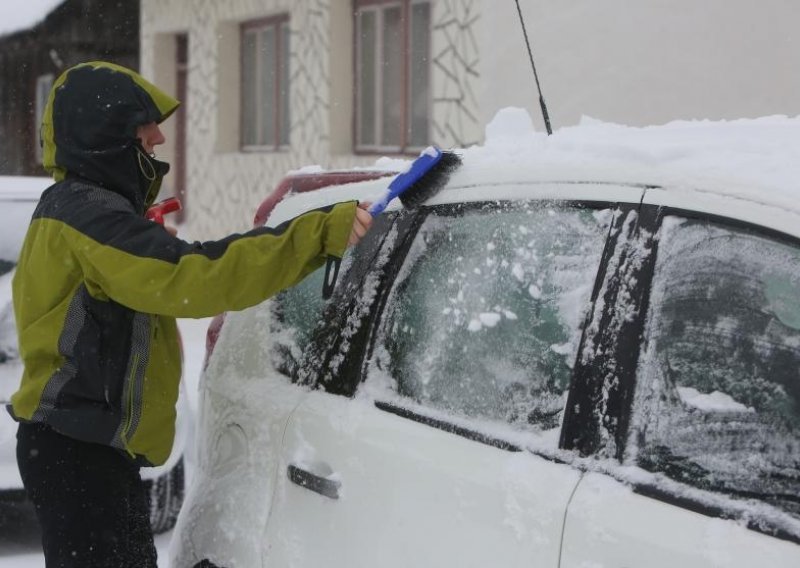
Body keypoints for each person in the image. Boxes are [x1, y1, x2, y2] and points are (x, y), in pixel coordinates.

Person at [8, 61, 372, 567]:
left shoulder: (80, 210)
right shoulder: (87, 215)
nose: (157, 137)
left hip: (83, 448)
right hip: (78, 453)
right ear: (103, 131)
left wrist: (143, 241)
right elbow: (195, 279)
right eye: (143, 125)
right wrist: (314, 235)